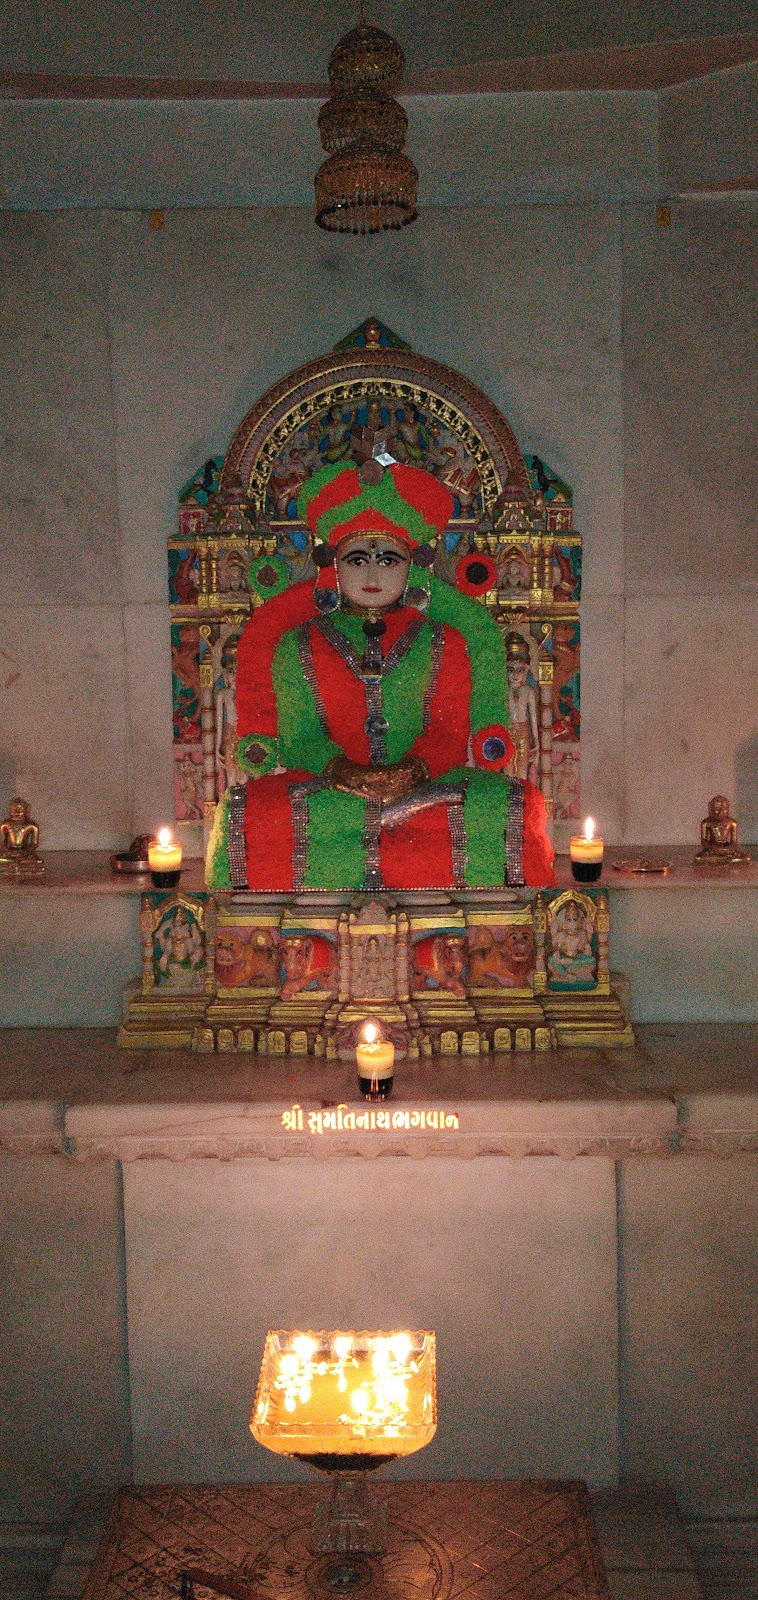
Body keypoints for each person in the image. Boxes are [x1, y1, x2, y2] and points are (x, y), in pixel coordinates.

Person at [206, 459, 555, 893]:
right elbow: (300, 737)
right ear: (332, 564)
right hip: (330, 787)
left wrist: (413, 769)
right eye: (357, 559)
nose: (372, 574)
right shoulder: (298, 644)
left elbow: (447, 732)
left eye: (388, 560)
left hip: (424, 787)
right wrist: (342, 771)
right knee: (246, 810)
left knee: (511, 803)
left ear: (414, 565)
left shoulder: (443, 641)